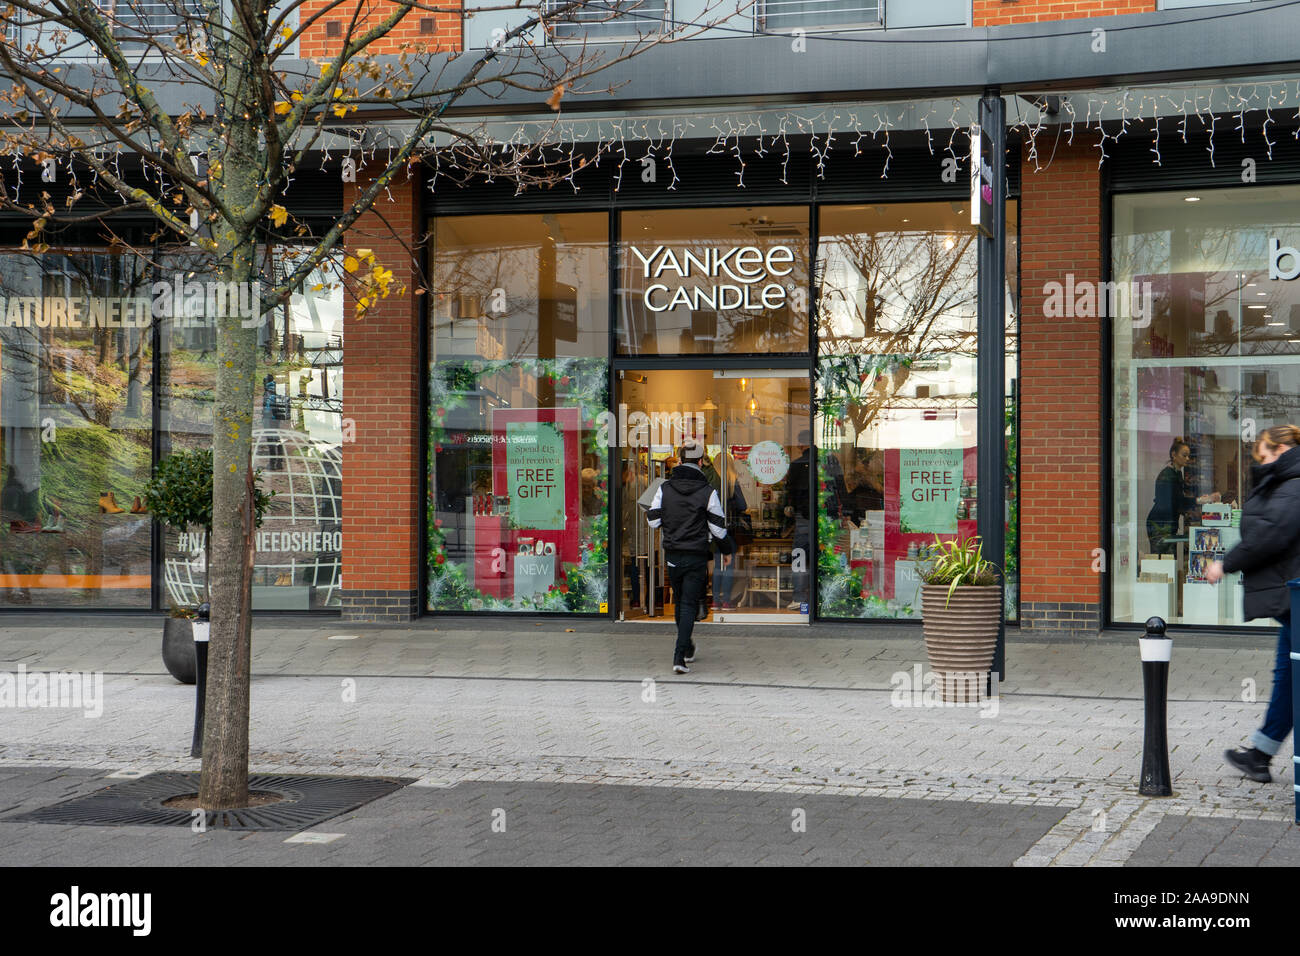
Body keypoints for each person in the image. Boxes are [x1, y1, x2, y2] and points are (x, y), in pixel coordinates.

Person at [1206, 425, 1300, 783]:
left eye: (1261, 453)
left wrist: (1225, 564)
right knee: (1287, 677)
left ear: (1278, 450)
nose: (1258, 460)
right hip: (1290, 597)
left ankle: (1260, 754)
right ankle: (1260, 754)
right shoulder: (1286, 480)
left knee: (1289, 676)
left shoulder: (1293, 483)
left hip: (1294, 594)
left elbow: (1272, 533)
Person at [646, 438, 734, 674]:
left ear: (681, 459)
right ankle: (679, 655)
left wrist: (670, 518)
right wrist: (726, 550)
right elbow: (718, 528)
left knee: (680, 602)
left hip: (673, 554)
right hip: (696, 555)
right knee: (688, 604)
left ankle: (686, 648)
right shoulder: (708, 491)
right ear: (701, 461)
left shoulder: (663, 488)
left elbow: (653, 521)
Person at [1146, 437, 1219, 554]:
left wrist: (1199, 500)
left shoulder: (1177, 473)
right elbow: (1177, 501)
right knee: (1163, 561)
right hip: (1160, 525)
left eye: (1188, 456)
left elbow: (1179, 500)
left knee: (1168, 560)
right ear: (1174, 455)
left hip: (1167, 523)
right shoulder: (1168, 476)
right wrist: (1201, 500)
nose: (1187, 459)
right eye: (1184, 455)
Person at [703, 449, 749, 611]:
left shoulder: (710, 481)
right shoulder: (733, 480)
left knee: (717, 566)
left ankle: (715, 601)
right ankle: (727, 601)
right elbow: (743, 505)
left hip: (713, 527)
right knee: (729, 566)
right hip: (730, 529)